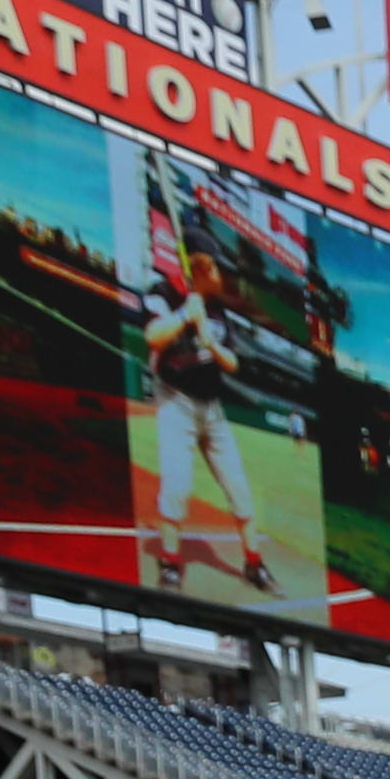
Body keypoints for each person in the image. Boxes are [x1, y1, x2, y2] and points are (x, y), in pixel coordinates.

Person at [143, 244, 272, 599]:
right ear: (200, 267)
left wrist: (208, 341)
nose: (224, 277)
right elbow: (152, 336)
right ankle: (170, 562)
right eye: (218, 269)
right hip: (176, 401)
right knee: (177, 486)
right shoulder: (162, 292)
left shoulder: (216, 310)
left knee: (240, 489)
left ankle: (254, 563)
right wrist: (185, 315)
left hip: (213, 409)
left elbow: (232, 363)